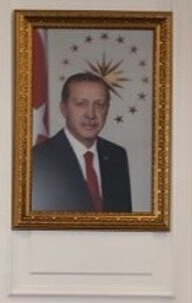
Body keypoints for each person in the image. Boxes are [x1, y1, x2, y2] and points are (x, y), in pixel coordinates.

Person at [31, 72, 132, 212]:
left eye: (100, 105)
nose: (91, 114)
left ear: (107, 110)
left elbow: (123, 220)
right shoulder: (39, 159)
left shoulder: (117, 155)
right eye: (81, 104)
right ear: (64, 109)